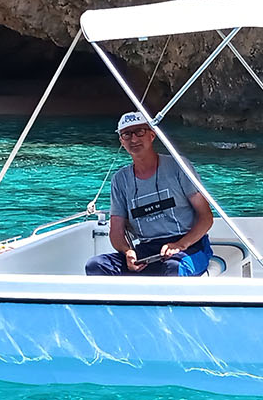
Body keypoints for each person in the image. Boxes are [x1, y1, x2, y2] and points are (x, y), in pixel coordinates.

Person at [84, 111, 214, 276]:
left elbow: (206, 217)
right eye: (127, 134)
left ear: (152, 135)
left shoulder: (178, 166)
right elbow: (116, 231)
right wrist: (127, 252)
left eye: (140, 131)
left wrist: (180, 245)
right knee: (96, 265)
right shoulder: (120, 180)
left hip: (189, 246)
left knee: (174, 268)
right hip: (147, 251)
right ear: (121, 141)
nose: (134, 139)